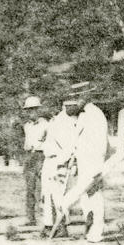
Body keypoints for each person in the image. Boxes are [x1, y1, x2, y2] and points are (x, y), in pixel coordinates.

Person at [70, 88, 111, 243]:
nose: (77, 101)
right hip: (85, 161)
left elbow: (100, 143)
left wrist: (97, 166)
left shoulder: (95, 115)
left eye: (79, 97)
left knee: (94, 195)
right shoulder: (84, 115)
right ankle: (90, 228)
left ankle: (97, 230)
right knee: (85, 196)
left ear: (86, 97)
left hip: (93, 162)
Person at [40, 97, 76, 237]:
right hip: (49, 160)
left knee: (58, 195)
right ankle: (49, 225)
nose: (46, 109)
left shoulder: (64, 122)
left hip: (57, 161)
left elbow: (69, 147)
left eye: (49, 106)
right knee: (47, 195)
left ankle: (62, 226)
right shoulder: (53, 121)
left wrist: (63, 163)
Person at [20, 95, 48, 227]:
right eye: (29, 110)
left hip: (41, 156)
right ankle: (30, 218)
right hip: (29, 157)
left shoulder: (46, 125)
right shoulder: (27, 126)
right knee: (29, 188)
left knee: (43, 189)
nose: (31, 112)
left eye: (34, 109)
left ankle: (47, 217)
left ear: (39, 110)